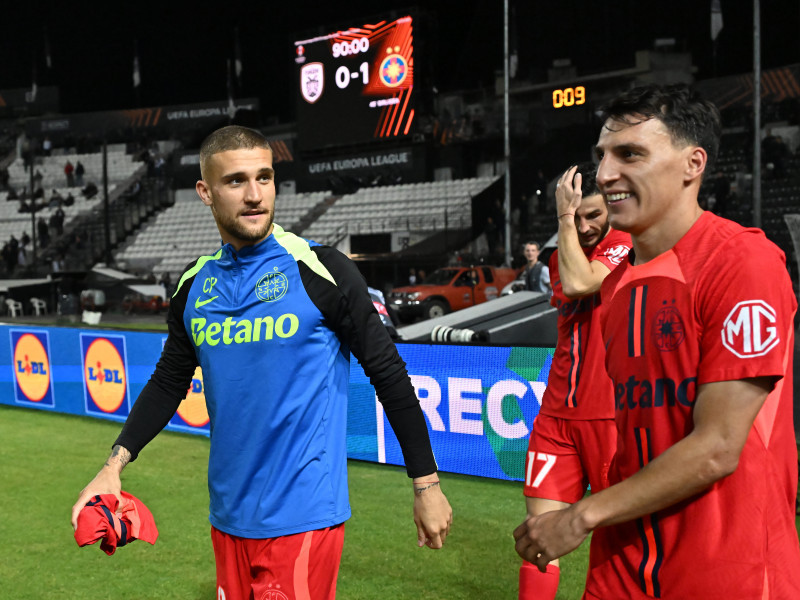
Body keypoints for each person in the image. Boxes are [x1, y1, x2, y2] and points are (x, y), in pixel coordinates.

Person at [71, 125, 452, 600]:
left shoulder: (322, 271)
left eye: (265, 178)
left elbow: (389, 374)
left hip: (303, 517)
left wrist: (426, 484)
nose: (255, 195)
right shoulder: (193, 287)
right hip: (228, 517)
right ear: (205, 193)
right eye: (236, 181)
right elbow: (169, 381)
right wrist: (114, 464)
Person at [514, 83, 800, 598]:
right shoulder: (619, 288)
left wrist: (581, 516)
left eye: (630, 154)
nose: (604, 175)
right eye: (602, 156)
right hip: (622, 568)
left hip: (724, 570)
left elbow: (716, 448)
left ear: (693, 164)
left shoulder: (742, 263)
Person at [518, 163, 631, 600]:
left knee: (618, 543)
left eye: (593, 216)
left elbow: (584, 282)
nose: (584, 227)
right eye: (576, 216)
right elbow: (574, 282)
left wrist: (564, 219)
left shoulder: (625, 245)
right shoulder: (555, 259)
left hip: (610, 418)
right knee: (539, 539)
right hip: (555, 416)